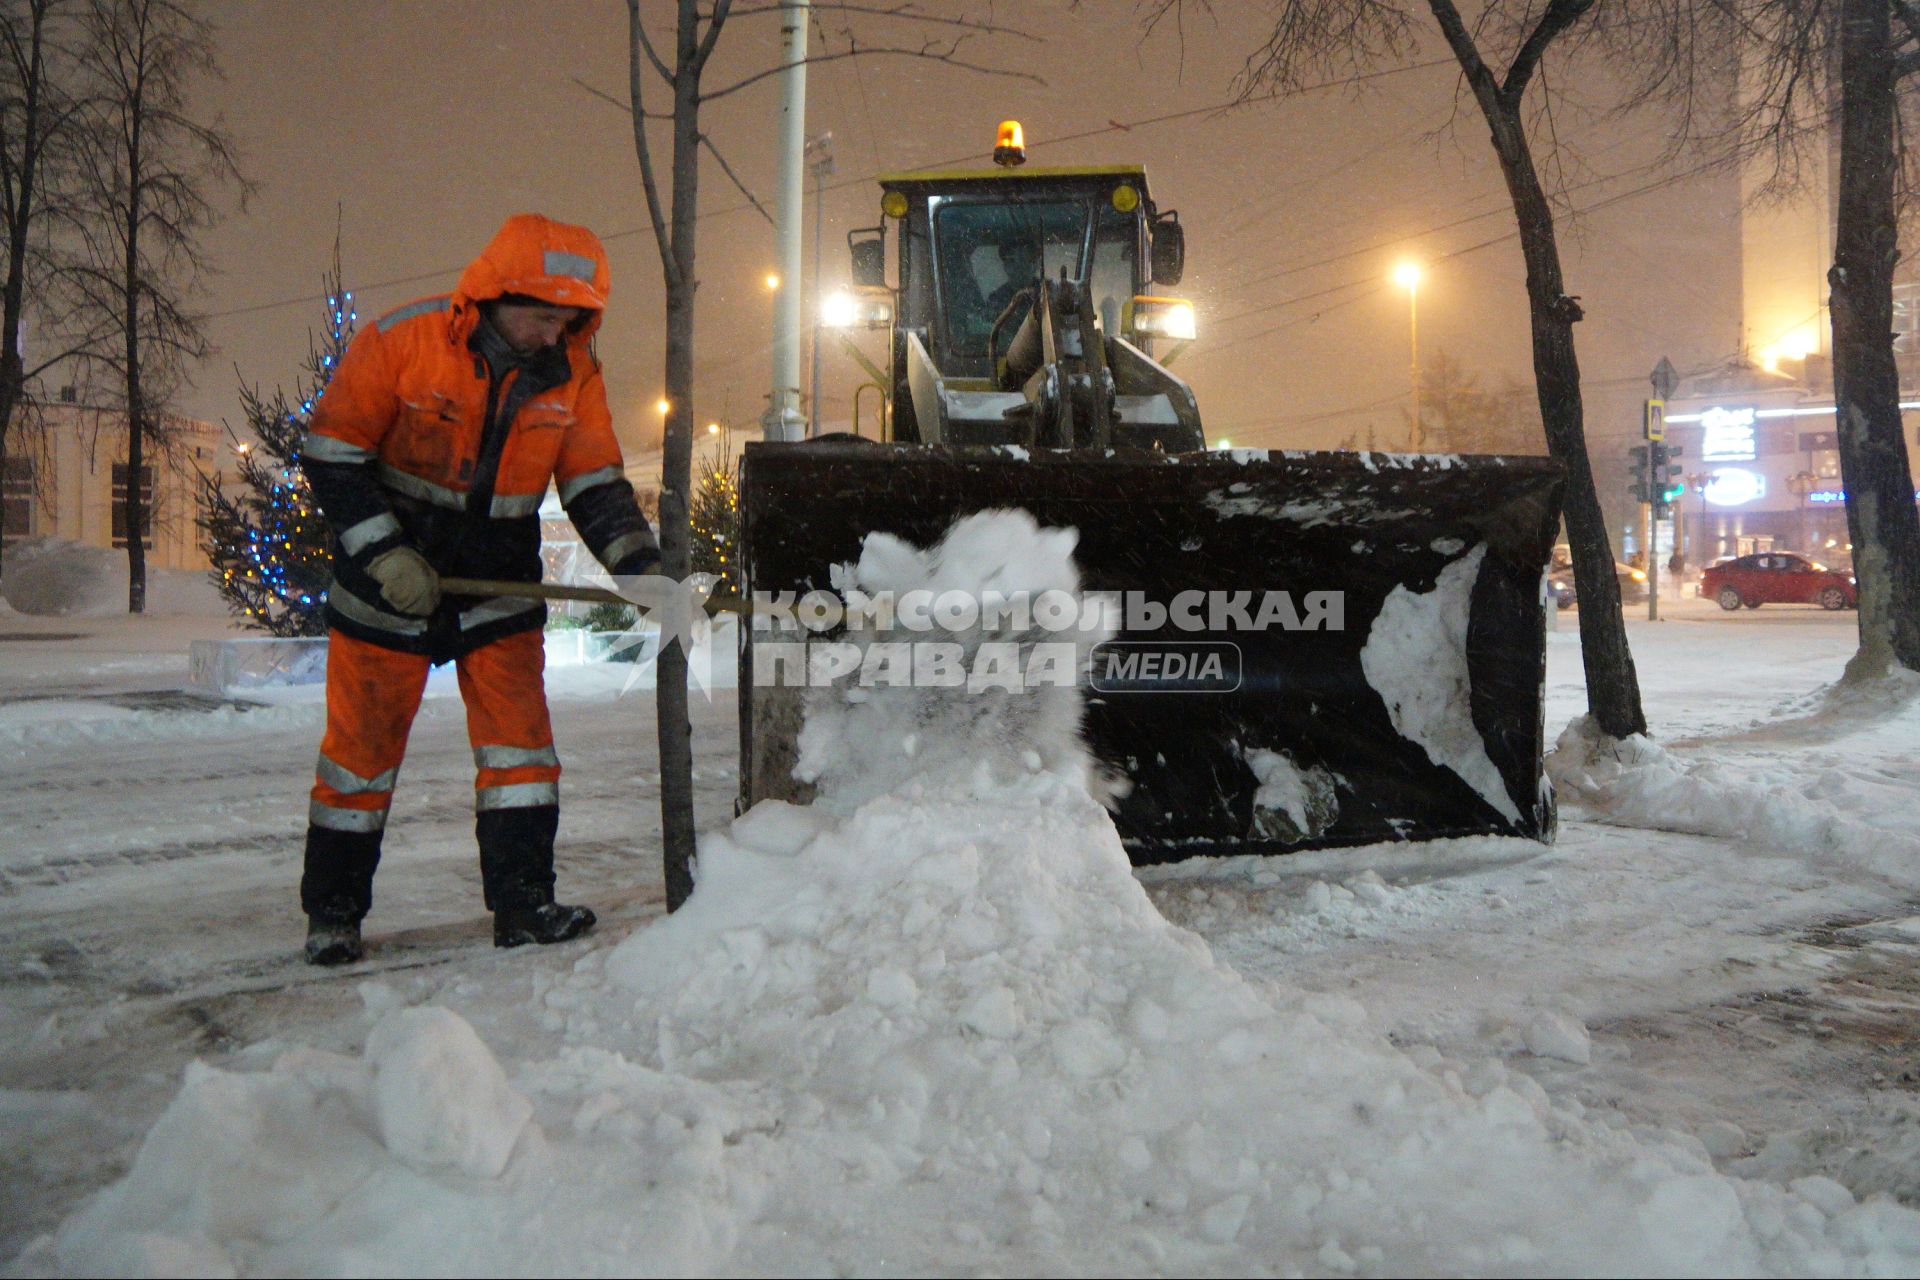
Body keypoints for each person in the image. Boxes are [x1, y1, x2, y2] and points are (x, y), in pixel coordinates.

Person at [296, 214, 660, 966]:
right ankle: (332, 915)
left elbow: (594, 484)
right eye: (539, 315)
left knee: (522, 759)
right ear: (493, 295)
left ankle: (524, 907)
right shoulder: (403, 342)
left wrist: (639, 567)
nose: (549, 334)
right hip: (386, 591)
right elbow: (333, 455)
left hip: (496, 588)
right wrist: (387, 555)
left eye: (567, 321)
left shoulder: (575, 377)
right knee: (357, 763)